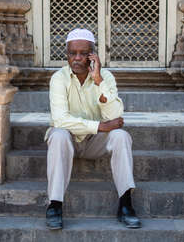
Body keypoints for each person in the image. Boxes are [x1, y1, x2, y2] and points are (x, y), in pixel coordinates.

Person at [45, 28, 141, 230]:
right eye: (73, 53)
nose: (77, 58)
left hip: (95, 142)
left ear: (92, 56)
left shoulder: (105, 77)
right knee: (58, 135)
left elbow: (115, 116)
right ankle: (54, 205)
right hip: (69, 140)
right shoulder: (58, 78)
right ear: (67, 55)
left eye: (83, 53)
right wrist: (101, 126)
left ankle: (126, 204)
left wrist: (99, 81)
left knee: (121, 136)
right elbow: (61, 120)